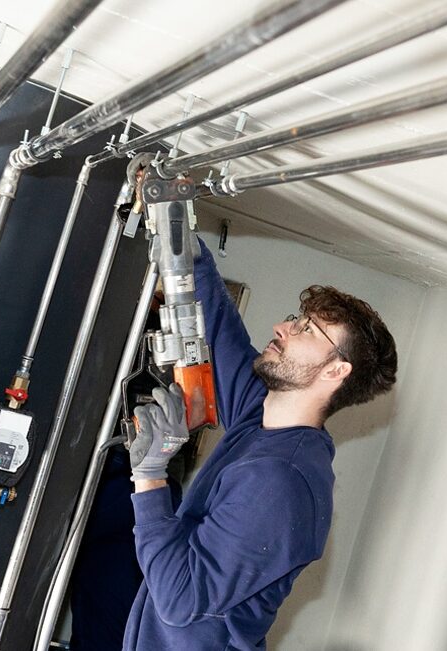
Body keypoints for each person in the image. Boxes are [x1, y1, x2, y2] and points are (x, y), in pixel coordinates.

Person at [122, 238, 398, 649]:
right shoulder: (263, 414)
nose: (282, 328)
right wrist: (191, 252)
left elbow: (181, 600)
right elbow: (221, 333)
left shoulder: (281, 482)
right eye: (295, 319)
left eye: (307, 330)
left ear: (335, 371)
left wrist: (150, 476)